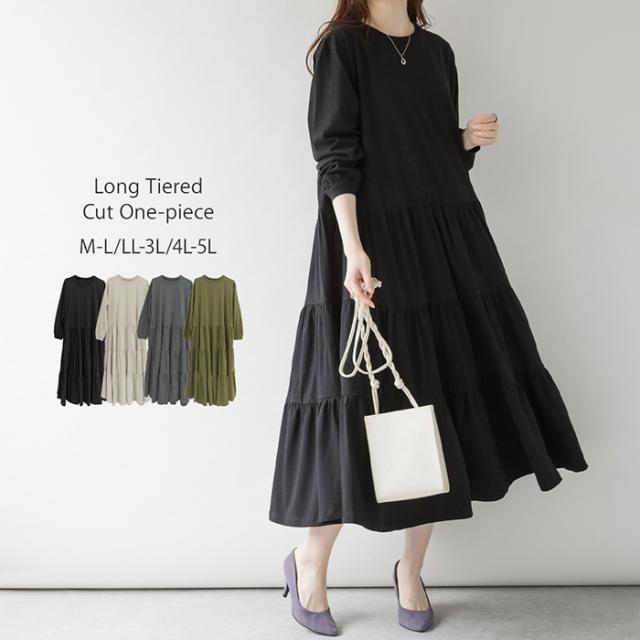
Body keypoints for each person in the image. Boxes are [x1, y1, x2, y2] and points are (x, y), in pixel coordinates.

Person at [269, 1, 588, 634]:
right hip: (371, 241)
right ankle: (310, 561)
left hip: (447, 241)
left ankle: (411, 568)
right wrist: (354, 249)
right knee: (358, 403)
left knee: (438, 398)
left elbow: (431, 149)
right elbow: (335, 156)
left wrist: (463, 141)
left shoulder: (437, 52)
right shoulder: (343, 48)